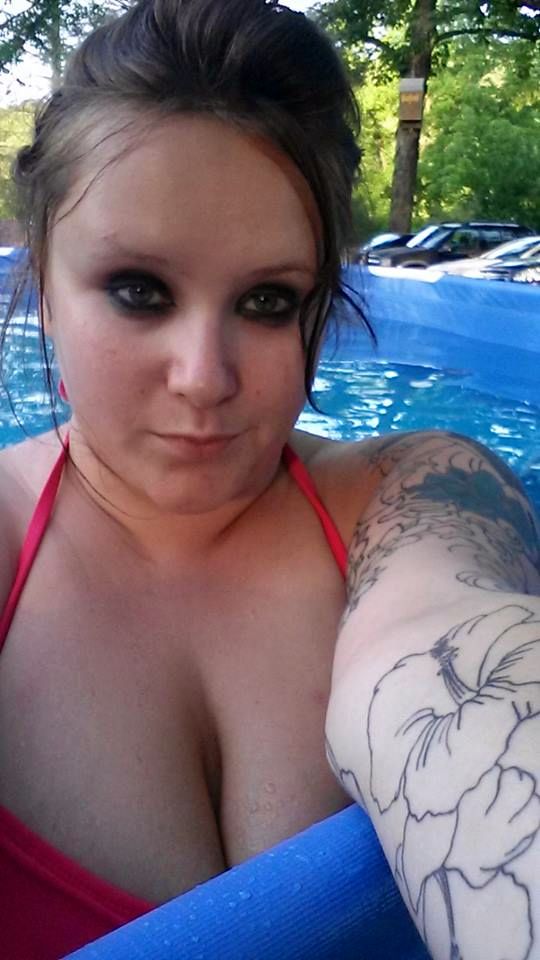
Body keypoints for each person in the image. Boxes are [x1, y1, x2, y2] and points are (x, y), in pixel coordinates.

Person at [1, 1, 539, 958]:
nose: (204, 377)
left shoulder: (414, 493)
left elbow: (465, 656)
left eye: (267, 300)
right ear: (42, 281)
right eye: (139, 290)